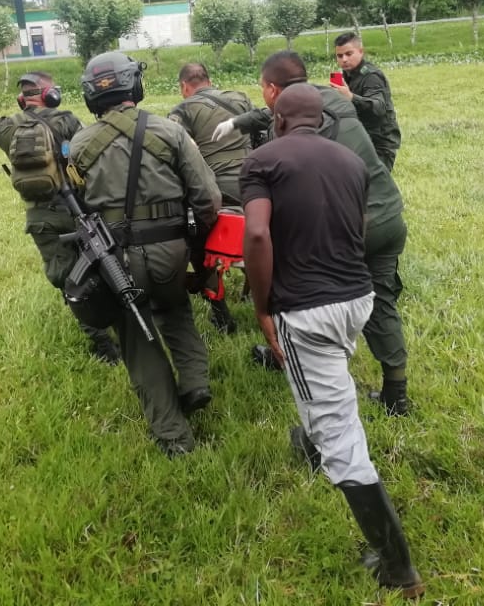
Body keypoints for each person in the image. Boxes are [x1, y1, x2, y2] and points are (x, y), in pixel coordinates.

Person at [239, 83, 425, 600]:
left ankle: (396, 564)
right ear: (321, 120)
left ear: (276, 119)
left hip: (307, 312)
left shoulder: (261, 162)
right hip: (356, 301)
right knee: (325, 384)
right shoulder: (350, 161)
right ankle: (310, 440)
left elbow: (256, 236)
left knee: (340, 432)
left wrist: (262, 305)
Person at [223, 51, 414, 415]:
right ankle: (396, 392)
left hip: (349, 223)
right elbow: (273, 114)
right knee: (382, 299)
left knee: (294, 284)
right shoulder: (328, 98)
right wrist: (238, 122)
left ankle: (292, 357)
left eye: (263, 88)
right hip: (388, 214)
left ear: (273, 90)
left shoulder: (289, 134)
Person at [68, 52, 222, 457]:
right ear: (134, 85)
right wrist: (195, 244)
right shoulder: (169, 131)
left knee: (138, 339)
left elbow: (76, 206)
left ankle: (174, 438)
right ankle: (194, 382)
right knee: (175, 310)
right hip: (171, 250)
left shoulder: (80, 146)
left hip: (115, 259)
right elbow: (207, 197)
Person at [0, 71, 121, 365]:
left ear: (22, 99)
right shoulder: (68, 121)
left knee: (67, 277)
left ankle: (102, 344)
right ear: (50, 95)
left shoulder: (6, 127)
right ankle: (118, 321)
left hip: (42, 217)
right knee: (103, 264)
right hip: (81, 208)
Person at [168, 62, 253, 334]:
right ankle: (252, 291)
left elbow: (179, 151)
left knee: (198, 245)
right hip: (257, 183)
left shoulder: (182, 110)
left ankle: (221, 314)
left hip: (220, 190)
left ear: (184, 87)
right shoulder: (240, 98)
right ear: (210, 79)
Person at [328, 31, 401, 172]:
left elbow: (379, 107)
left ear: (360, 52)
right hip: (361, 140)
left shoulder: (371, 76)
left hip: (378, 143)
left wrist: (351, 97)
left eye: (349, 54)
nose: (344, 59)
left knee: (375, 189)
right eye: (339, 55)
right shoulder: (347, 76)